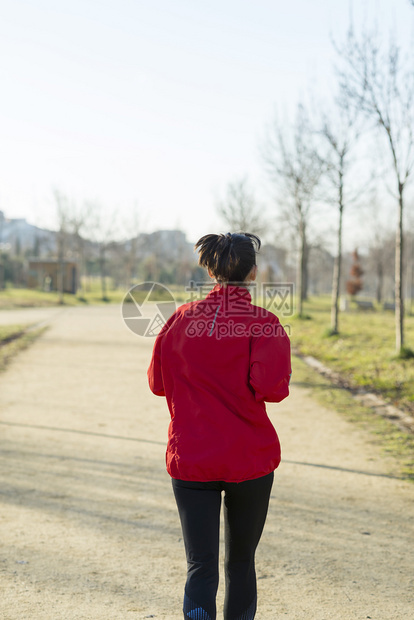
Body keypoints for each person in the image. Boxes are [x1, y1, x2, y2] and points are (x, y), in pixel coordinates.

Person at [147, 232, 291, 620]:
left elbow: (157, 383)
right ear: (253, 273)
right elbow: (272, 390)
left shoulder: (179, 320)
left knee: (200, 564)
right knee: (240, 563)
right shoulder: (265, 323)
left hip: (192, 458)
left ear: (210, 271)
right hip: (250, 460)